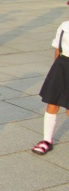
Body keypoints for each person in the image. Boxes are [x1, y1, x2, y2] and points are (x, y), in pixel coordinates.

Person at [31, 21, 69, 155]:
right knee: (52, 103)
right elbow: (58, 48)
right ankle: (47, 140)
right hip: (62, 66)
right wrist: (56, 69)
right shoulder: (64, 26)